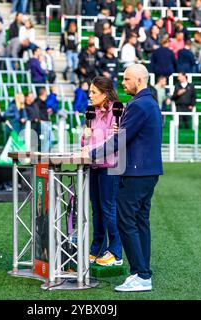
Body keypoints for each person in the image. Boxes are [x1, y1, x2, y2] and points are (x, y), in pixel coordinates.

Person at [83, 64, 163, 292]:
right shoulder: (150, 104)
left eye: (127, 79)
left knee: (126, 220)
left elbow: (120, 140)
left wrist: (92, 152)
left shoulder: (138, 105)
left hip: (137, 172)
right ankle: (142, 272)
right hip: (148, 171)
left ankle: (141, 274)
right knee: (140, 222)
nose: (123, 82)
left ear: (139, 80)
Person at [81, 76, 123, 267]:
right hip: (93, 165)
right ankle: (97, 248)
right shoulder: (91, 111)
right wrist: (85, 136)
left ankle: (115, 252)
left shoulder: (117, 109)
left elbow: (116, 140)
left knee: (108, 208)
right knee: (97, 209)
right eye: (90, 92)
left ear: (105, 94)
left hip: (111, 166)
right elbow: (86, 141)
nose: (90, 95)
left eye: (93, 92)